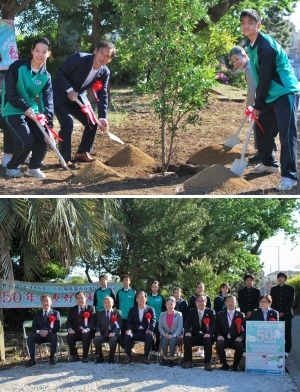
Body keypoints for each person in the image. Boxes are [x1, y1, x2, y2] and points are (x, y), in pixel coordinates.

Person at [240, 9, 300, 191]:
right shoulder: (251, 44)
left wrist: (258, 104)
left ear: (258, 25)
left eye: (250, 22)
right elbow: (259, 77)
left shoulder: (266, 46)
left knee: (286, 132)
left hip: (285, 91)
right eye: (243, 23)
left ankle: (290, 176)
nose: (246, 26)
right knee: (262, 127)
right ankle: (269, 163)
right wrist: (258, 103)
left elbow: (265, 77)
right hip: (269, 92)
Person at [52, 41, 115, 167]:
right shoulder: (79, 59)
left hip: (77, 98)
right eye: (101, 53)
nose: (103, 57)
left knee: (92, 122)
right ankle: (64, 159)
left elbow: (102, 94)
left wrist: (103, 117)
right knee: (68, 123)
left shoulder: (104, 72)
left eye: (107, 56)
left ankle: (82, 152)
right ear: (95, 51)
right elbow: (60, 73)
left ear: (110, 60)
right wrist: (69, 89)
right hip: (59, 95)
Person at [1, 38, 53, 178]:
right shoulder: (17, 67)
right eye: (37, 51)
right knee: (26, 140)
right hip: (12, 109)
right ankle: (12, 167)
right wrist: (24, 107)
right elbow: (11, 93)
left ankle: (34, 168)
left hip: (32, 111)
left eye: (44, 52)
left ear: (48, 54)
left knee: (43, 136)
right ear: (32, 51)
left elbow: (47, 101)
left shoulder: (46, 76)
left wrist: (49, 124)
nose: (40, 54)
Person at [229, 45, 277, 163]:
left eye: (237, 58)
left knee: (259, 126)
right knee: (266, 127)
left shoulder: (250, 69)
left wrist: (249, 108)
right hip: (269, 98)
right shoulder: (251, 65)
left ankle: (262, 153)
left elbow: (252, 90)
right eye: (233, 61)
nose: (235, 62)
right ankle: (269, 149)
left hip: (269, 99)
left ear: (244, 55)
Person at [182, 294, 216, 371]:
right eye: (199, 301)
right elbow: (187, 323)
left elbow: (214, 325)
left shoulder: (210, 312)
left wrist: (209, 333)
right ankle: (188, 361)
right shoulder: (191, 311)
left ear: (206, 302)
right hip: (195, 334)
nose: (200, 302)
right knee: (187, 338)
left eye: (202, 301)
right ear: (195, 302)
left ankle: (207, 363)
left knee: (208, 339)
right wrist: (187, 331)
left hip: (206, 335)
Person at [26, 294, 60, 367]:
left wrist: (48, 331)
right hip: (40, 335)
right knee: (31, 337)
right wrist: (39, 331)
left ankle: (51, 357)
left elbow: (57, 327)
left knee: (54, 336)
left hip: (50, 334)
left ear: (51, 302)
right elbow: (34, 327)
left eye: (47, 301)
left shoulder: (56, 313)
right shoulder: (37, 314)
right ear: (41, 303)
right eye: (43, 301)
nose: (45, 303)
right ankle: (32, 358)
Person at [123, 290, 156, 364]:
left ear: (146, 299)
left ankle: (146, 356)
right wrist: (128, 329)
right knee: (128, 335)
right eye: (139, 297)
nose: (141, 299)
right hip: (135, 332)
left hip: (145, 332)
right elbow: (129, 321)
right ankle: (128, 356)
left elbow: (153, 322)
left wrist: (150, 329)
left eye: (143, 297)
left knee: (149, 335)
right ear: (136, 299)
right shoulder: (132, 310)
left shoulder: (151, 309)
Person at [215, 295, 246, 371]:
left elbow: (245, 330)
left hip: (235, 339)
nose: (230, 303)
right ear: (225, 303)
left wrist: (241, 337)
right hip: (224, 338)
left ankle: (235, 366)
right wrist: (218, 335)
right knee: (219, 344)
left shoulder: (241, 315)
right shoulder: (220, 314)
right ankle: (224, 364)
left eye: (232, 301)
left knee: (240, 346)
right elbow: (216, 329)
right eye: (228, 301)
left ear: (236, 303)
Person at [270, 272, 295, 356]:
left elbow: (291, 302)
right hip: (276, 315)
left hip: (287, 315)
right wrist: (276, 312)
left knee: (287, 333)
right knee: (276, 333)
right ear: (277, 279)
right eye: (279, 277)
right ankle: (277, 348)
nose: (280, 279)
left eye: (282, 277)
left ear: (285, 279)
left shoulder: (291, 288)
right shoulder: (273, 289)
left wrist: (283, 312)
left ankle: (287, 350)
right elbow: (272, 302)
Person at [66, 291, 95, 363]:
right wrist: (70, 329)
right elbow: (69, 321)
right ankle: (75, 355)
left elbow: (93, 321)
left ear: (85, 299)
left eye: (82, 298)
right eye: (78, 298)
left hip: (87, 331)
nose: (80, 300)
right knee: (70, 336)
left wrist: (87, 329)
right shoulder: (72, 309)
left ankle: (85, 356)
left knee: (86, 335)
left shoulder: (91, 308)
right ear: (76, 300)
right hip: (76, 331)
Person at [93, 296, 122, 364]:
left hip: (112, 334)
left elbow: (119, 325)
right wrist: (98, 331)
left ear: (112, 303)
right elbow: (97, 325)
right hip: (103, 334)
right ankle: (100, 357)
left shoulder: (117, 312)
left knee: (113, 339)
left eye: (109, 302)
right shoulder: (100, 313)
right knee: (96, 339)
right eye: (105, 302)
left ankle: (111, 357)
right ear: (103, 304)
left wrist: (114, 332)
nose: (107, 304)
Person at [158, 296, 183, 367]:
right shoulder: (162, 314)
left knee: (172, 340)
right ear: (165, 305)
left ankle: (172, 359)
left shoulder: (179, 314)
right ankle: (164, 358)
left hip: (175, 335)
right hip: (165, 334)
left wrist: (174, 335)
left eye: (171, 304)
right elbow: (160, 327)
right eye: (168, 304)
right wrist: (164, 334)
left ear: (175, 305)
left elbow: (180, 327)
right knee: (165, 339)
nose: (169, 306)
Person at [115, 274, 136, 349]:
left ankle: (131, 347)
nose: (125, 281)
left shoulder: (134, 292)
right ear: (122, 282)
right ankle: (123, 347)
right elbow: (117, 305)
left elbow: (136, 305)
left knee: (130, 333)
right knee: (121, 333)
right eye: (124, 280)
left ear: (129, 281)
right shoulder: (119, 292)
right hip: (121, 317)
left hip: (131, 317)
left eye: (127, 280)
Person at [147, 280, 166, 353]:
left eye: (156, 287)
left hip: (159, 320)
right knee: (150, 335)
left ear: (158, 288)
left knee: (158, 336)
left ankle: (157, 349)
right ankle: (152, 348)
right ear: (151, 288)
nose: (154, 288)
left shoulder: (161, 298)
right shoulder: (147, 297)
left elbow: (164, 310)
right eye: (153, 287)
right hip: (149, 321)